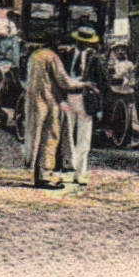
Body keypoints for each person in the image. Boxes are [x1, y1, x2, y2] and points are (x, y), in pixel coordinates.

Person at [23, 33, 84, 190]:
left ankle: (37, 174)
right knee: (50, 138)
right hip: (49, 101)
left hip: (33, 101)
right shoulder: (52, 57)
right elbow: (64, 81)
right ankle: (45, 176)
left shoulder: (34, 56)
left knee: (36, 136)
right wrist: (83, 84)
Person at [59, 27, 103, 186]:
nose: (82, 45)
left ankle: (80, 172)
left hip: (86, 99)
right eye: (80, 42)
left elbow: (102, 81)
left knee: (84, 137)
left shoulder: (95, 59)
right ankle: (68, 170)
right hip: (69, 96)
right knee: (67, 135)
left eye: (85, 43)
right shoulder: (66, 55)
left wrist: (98, 98)